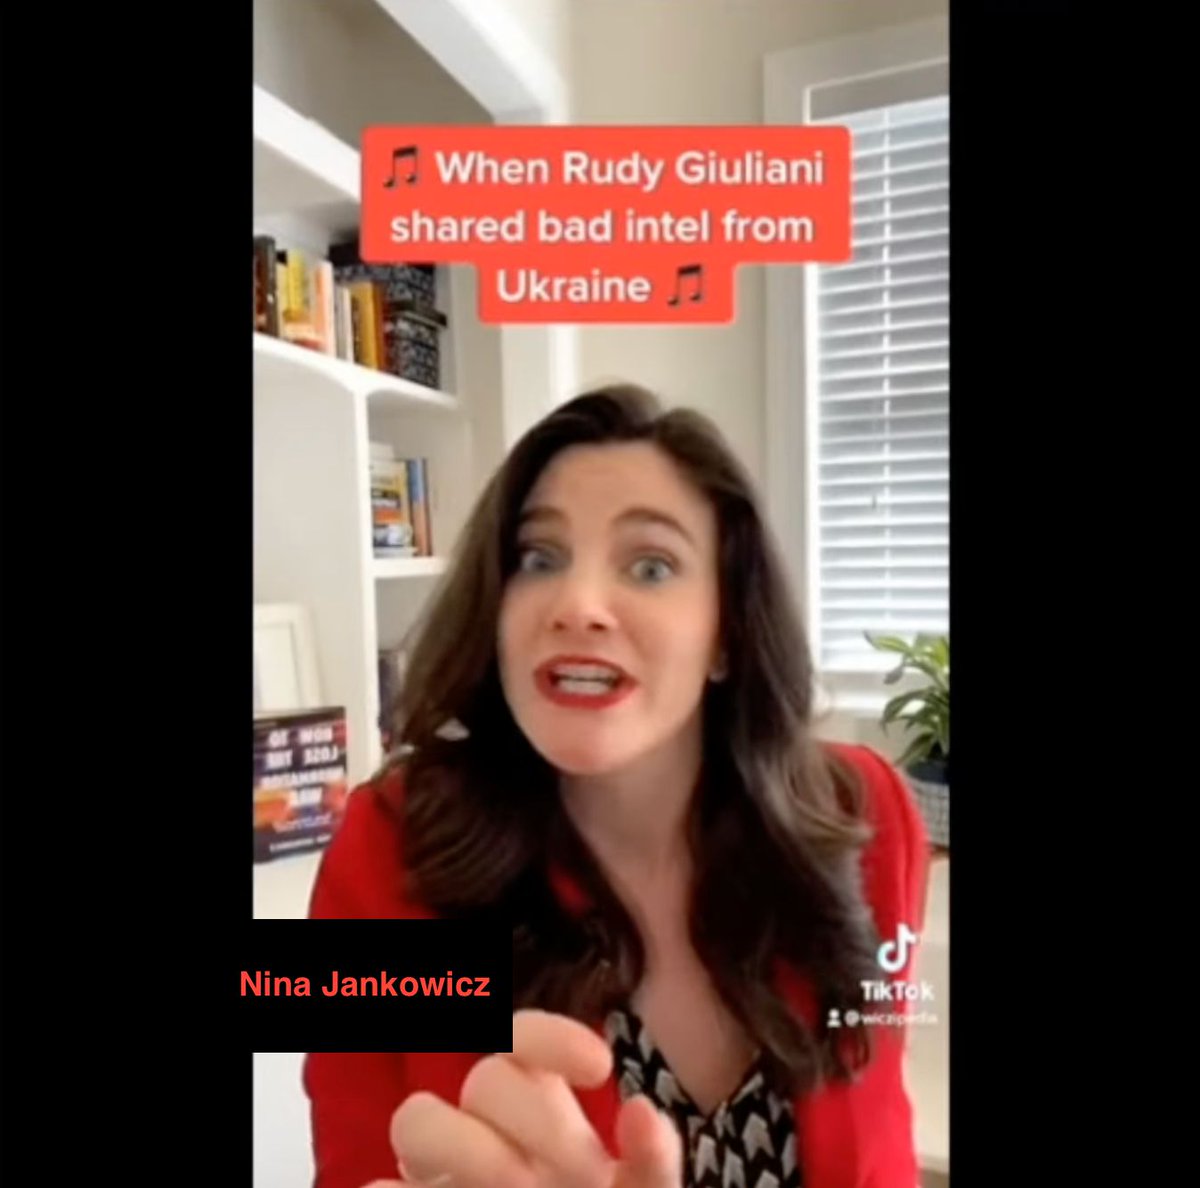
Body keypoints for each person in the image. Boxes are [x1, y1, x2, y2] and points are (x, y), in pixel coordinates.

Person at [304, 383, 930, 1188]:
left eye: (651, 565)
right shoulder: (385, 843)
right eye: (538, 558)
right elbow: (349, 1161)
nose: (578, 605)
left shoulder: (864, 813)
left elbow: (880, 1133)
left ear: (727, 635)